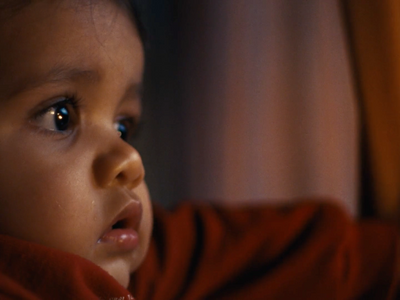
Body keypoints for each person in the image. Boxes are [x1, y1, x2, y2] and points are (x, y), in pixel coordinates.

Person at [0, 0, 398, 299]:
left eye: (124, 126)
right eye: (61, 117)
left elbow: (305, 253)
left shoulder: (135, 263)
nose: (129, 161)